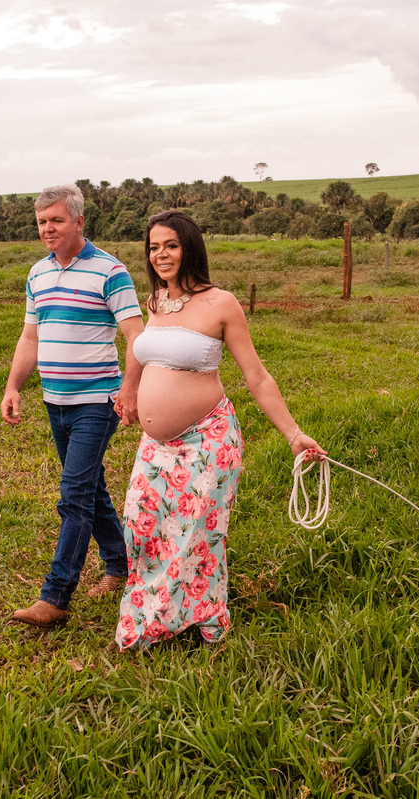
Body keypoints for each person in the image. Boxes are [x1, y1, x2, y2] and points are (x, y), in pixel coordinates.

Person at [115, 210, 324, 650]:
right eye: (154, 247)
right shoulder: (154, 302)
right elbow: (140, 350)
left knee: (196, 534)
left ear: (189, 247)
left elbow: (257, 376)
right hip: (155, 445)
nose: (161, 255)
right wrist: (129, 390)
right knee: (142, 526)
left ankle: (198, 618)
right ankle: (153, 611)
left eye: (171, 245)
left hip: (207, 439)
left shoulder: (221, 303)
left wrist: (293, 435)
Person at [1, 184, 145, 629]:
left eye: (57, 220)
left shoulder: (110, 271)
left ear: (79, 222)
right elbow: (30, 337)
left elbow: (136, 337)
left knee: (74, 496)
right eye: (42, 221)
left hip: (97, 402)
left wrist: (130, 390)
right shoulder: (38, 274)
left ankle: (55, 598)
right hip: (55, 401)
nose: (48, 228)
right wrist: (13, 386)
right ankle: (121, 564)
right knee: (90, 489)